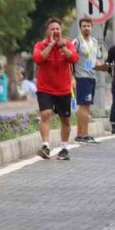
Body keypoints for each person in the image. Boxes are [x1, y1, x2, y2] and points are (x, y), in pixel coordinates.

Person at [33, 18, 78, 160]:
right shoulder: (40, 45)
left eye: (57, 29)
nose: (55, 31)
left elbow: (74, 59)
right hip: (45, 88)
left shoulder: (68, 44)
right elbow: (39, 59)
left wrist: (62, 47)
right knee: (46, 114)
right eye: (52, 29)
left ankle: (64, 148)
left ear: (61, 30)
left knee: (65, 119)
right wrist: (51, 45)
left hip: (63, 89)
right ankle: (46, 146)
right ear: (47, 32)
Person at [72, 18, 106, 144]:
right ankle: (84, 134)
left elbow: (94, 60)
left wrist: (103, 67)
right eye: (84, 26)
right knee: (84, 106)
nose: (86, 28)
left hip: (92, 77)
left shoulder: (94, 42)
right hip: (81, 77)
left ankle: (80, 134)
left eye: (88, 26)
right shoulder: (77, 42)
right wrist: (72, 77)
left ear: (92, 28)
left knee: (85, 106)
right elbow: (71, 60)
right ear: (80, 28)